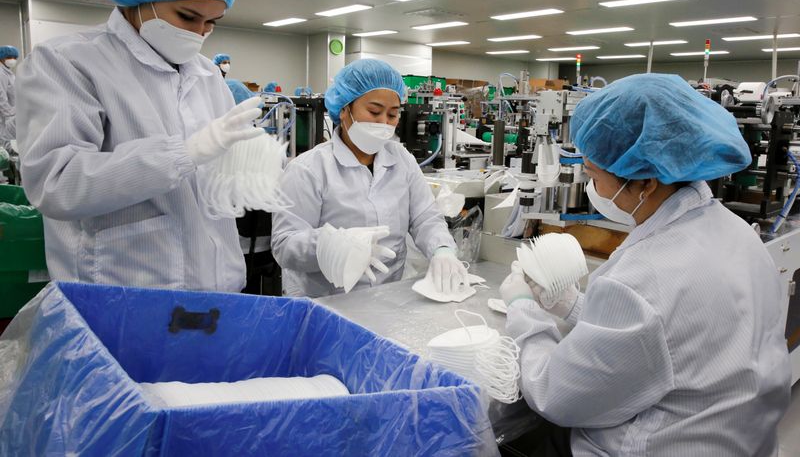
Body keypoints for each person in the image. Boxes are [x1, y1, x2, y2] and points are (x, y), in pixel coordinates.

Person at [500, 73, 791, 456]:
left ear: (646, 182)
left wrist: (525, 315)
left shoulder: (642, 277)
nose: (593, 188)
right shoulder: (738, 235)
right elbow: (668, 336)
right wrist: (573, 306)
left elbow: (558, 396)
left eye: (593, 173)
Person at [15, 0, 265, 291]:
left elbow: (212, 185)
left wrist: (247, 171)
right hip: (122, 290)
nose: (199, 33)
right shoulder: (68, 62)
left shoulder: (208, 75)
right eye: (187, 16)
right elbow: (56, 184)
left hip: (216, 287)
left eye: (211, 22)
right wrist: (184, 152)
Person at [271, 59, 466, 297]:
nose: (384, 122)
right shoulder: (309, 169)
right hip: (325, 303)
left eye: (393, 115)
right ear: (344, 109)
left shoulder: (402, 160)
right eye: (374, 112)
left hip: (386, 300)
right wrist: (331, 246)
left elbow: (425, 218)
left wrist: (442, 249)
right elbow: (285, 245)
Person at [0, 45, 18, 152]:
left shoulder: (8, 73)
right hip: (4, 117)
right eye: (9, 57)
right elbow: (1, 97)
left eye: (15, 57)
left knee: (10, 144)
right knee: (6, 145)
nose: (12, 60)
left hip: (10, 115)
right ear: (1, 57)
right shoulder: (1, 73)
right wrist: (9, 114)